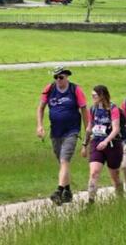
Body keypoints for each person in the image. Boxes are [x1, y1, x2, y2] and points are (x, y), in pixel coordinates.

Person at [36, 65, 89, 205]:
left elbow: (84, 110)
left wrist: (88, 129)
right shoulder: (50, 89)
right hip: (55, 131)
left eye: (61, 77)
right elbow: (40, 108)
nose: (58, 80)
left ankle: (59, 191)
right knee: (62, 162)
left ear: (67, 76)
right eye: (56, 77)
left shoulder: (75, 90)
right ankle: (68, 191)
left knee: (65, 160)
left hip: (71, 131)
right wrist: (40, 125)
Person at [81, 84, 124, 204]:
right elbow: (89, 128)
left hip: (112, 145)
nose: (93, 97)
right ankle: (90, 202)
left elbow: (116, 129)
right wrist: (85, 144)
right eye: (92, 95)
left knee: (115, 177)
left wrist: (106, 141)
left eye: (95, 95)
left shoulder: (113, 109)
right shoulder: (93, 109)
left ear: (102, 95)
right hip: (96, 143)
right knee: (94, 173)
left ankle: (121, 199)